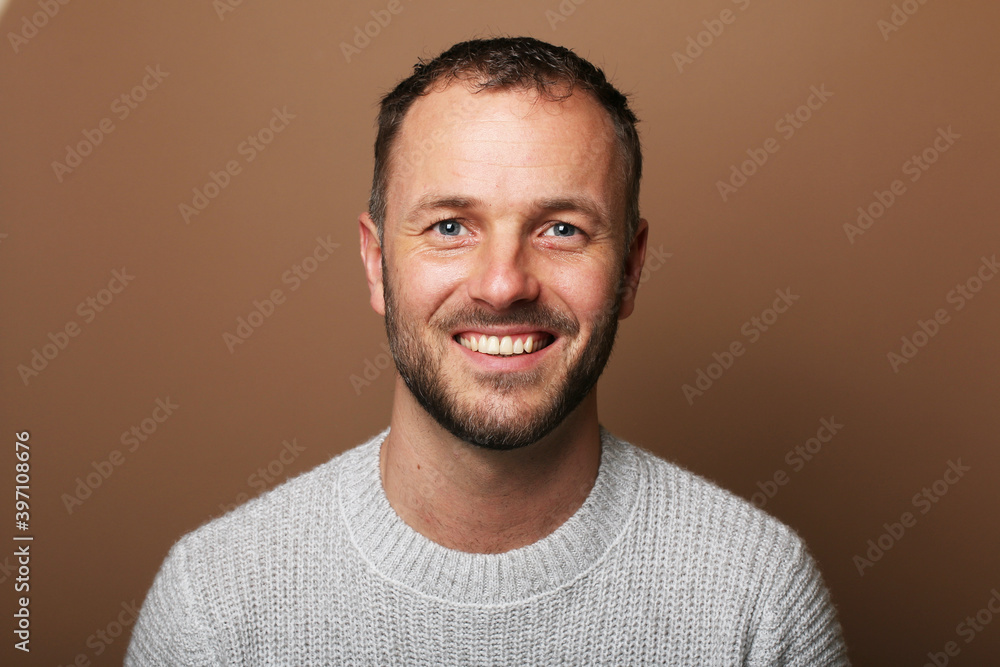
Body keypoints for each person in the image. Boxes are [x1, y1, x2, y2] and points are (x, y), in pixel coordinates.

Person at [127, 36, 849, 665]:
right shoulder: (213, 606)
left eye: (562, 229)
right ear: (377, 263)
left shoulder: (757, 598)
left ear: (630, 267)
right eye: (449, 226)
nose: (503, 283)